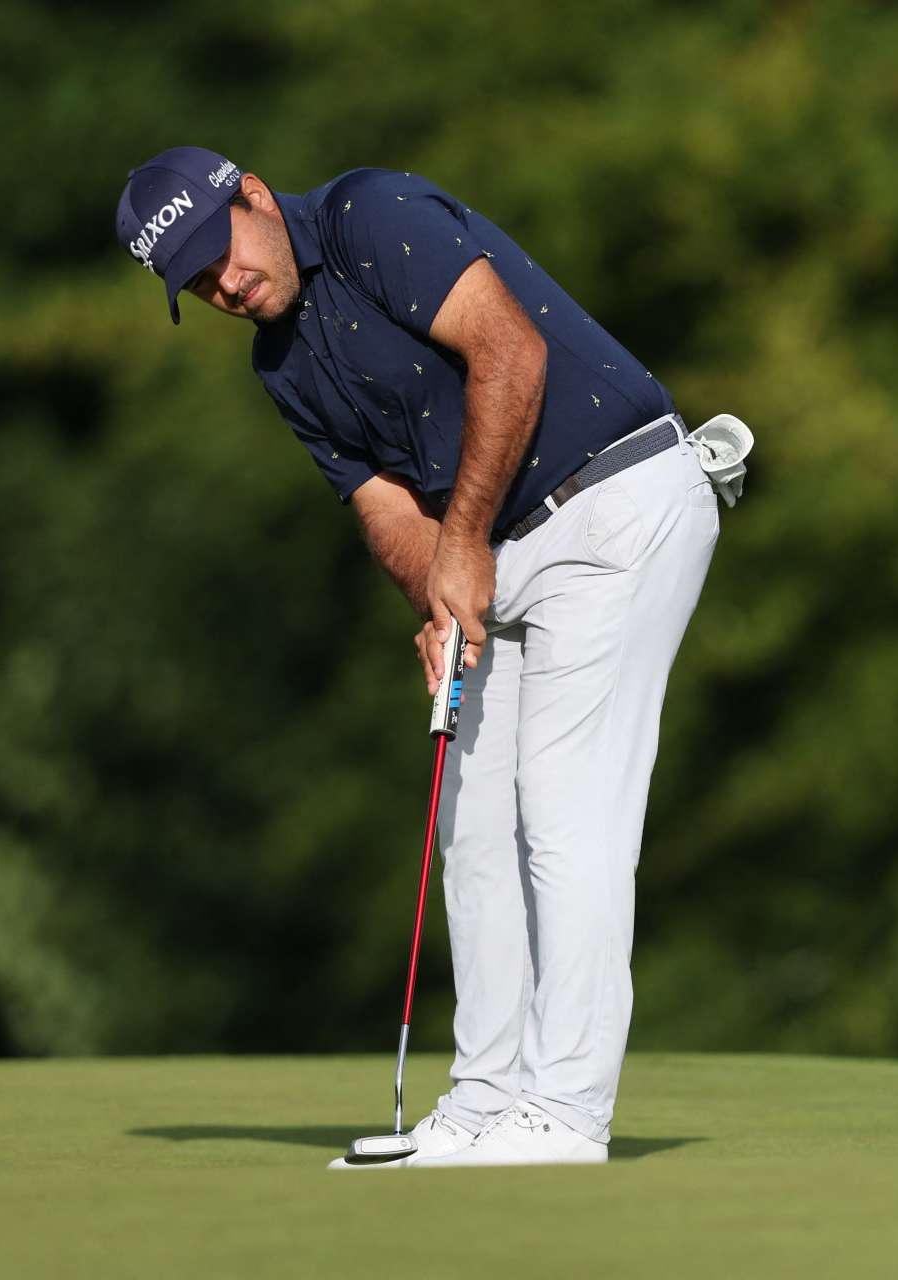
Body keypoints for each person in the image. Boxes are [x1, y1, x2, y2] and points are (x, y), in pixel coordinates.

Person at [116, 146, 725, 1167]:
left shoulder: (369, 216)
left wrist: (464, 545)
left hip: (619, 499)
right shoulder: (281, 367)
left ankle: (567, 1110)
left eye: (217, 252)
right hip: (508, 549)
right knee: (473, 826)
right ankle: (487, 1097)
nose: (223, 285)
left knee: (563, 811)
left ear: (253, 197)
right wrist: (439, 595)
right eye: (194, 283)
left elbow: (510, 354)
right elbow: (384, 507)